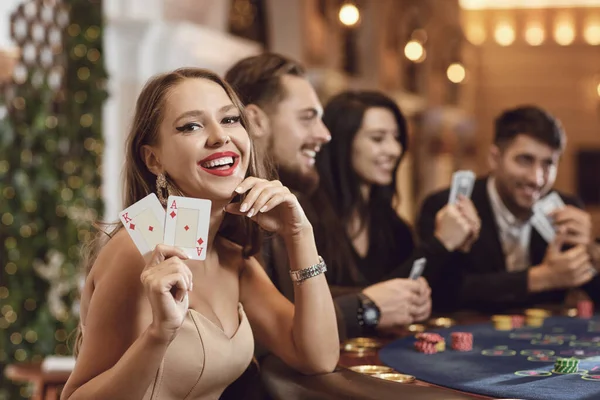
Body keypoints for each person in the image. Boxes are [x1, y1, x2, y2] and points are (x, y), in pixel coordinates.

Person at [60, 68, 339, 400]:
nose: (220, 136)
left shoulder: (232, 260)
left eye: (231, 119)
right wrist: (159, 334)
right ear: (153, 159)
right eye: (191, 126)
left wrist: (299, 234)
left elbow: (317, 357)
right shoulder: (136, 250)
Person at [226, 53, 479, 339]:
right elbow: (276, 328)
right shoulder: (231, 211)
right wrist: (366, 307)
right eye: (308, 118)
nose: (324, 134)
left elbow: (292, 304)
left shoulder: (276, 204)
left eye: (396, 138)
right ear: (256, 120)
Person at [308, 90, 481, 337]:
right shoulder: (306, 218)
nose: (394, 150)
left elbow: (420, 294)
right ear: (342, 143)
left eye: (397, 138)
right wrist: (440, 244)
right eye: (378, 139)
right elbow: (315, 301)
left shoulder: (392, 225)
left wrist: (456, 247)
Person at [417, 105, 600, 314]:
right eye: (525, 160)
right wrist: (542, 278)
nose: (536, 178)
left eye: (548, 164)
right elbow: (439, 292)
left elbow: (594, 294)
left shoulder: (567, 209)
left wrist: (592, 254)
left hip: (546, 341)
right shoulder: (445, 206)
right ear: (495, 158)